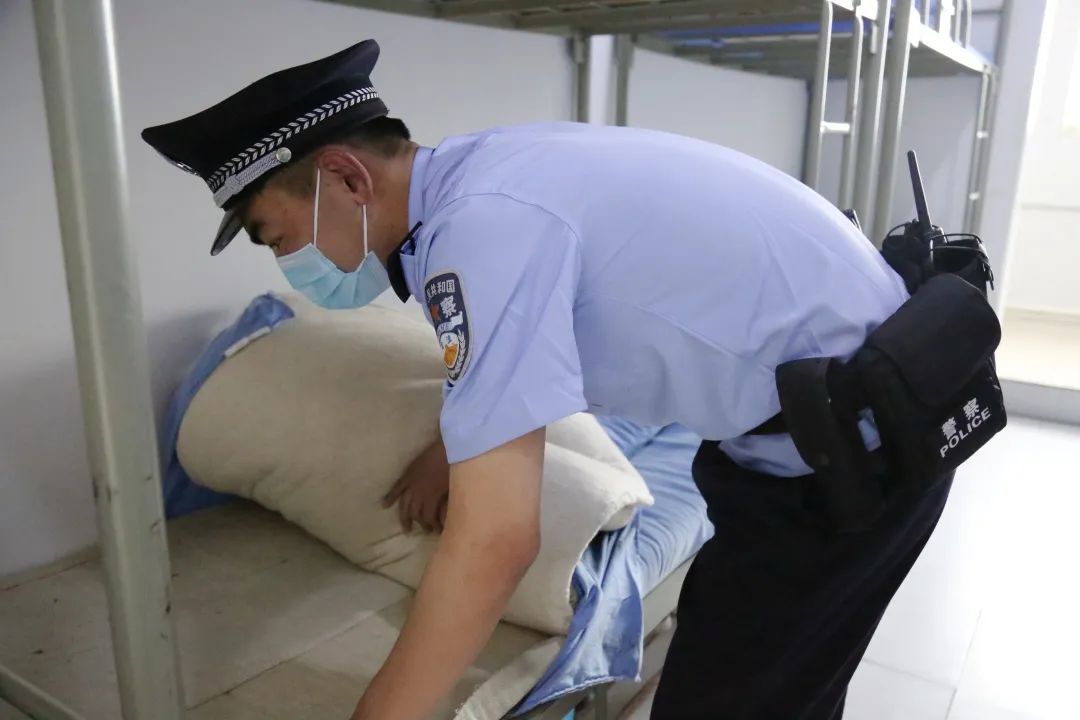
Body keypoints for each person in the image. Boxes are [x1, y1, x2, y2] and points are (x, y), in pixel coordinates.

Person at [143, 40, 955, 720]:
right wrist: (455, 445)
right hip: (826, 422)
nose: (290, 264)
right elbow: (523, 348)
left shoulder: (477, 232)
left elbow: (496, 542)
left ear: (349, 180)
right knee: (752, 670)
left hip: (855, 452)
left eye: (278, 237)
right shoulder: (478, 178)